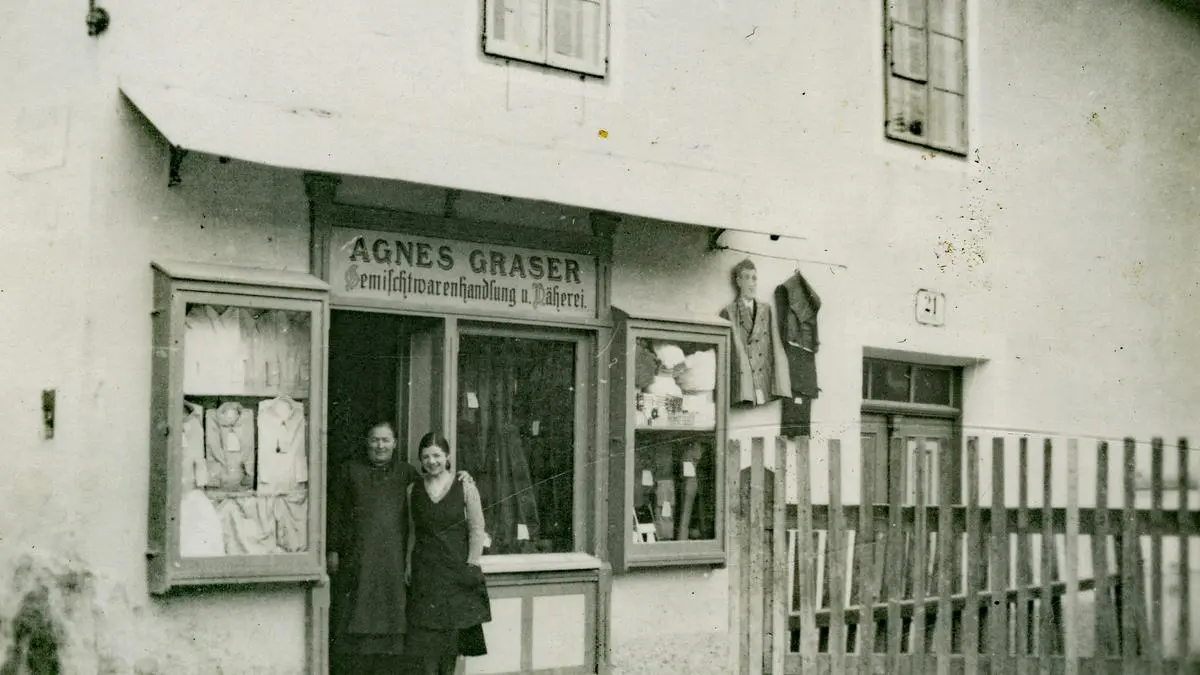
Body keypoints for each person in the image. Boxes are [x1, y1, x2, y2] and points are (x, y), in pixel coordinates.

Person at [326, 422, 472, 675]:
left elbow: (435, 488)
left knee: (394, 619)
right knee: (356, 616)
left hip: (395, 560)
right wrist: (333, 549)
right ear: (366, 442)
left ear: (395, 443)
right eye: (374, 440)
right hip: (358, 558)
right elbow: (335, 512)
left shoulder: (407, 474)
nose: (380, 445)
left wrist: (461, 477)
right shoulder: (349, 470)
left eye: (386, 440)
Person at [405, 432, 492, 675]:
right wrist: (408, 565)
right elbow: (412, 530)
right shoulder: (413, 490)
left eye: (437, 455)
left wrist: (472, 564)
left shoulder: (464, 486)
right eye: (426, 457)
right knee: (426, 643)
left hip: (455, 574)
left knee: (450, 643)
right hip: (425, 574)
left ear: (448, 457)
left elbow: (477, 528)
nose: (431, 461)